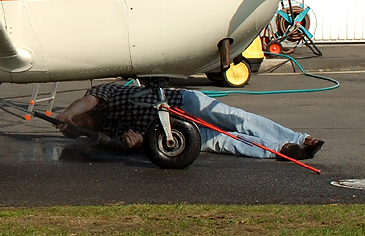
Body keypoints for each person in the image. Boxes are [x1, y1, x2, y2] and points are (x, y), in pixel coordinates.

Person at [55, 82, 323, 160]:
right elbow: (135, 143)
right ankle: (283, 150)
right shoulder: (108, 135)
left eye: (79, 121)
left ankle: (300, 138)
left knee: (238, 119)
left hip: (184, 102)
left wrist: (66, 113)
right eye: (79, 130)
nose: (83, 125)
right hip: (176, 132)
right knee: (225, 141)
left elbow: (87, 101)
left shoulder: (103, 93)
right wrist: (135, 143)